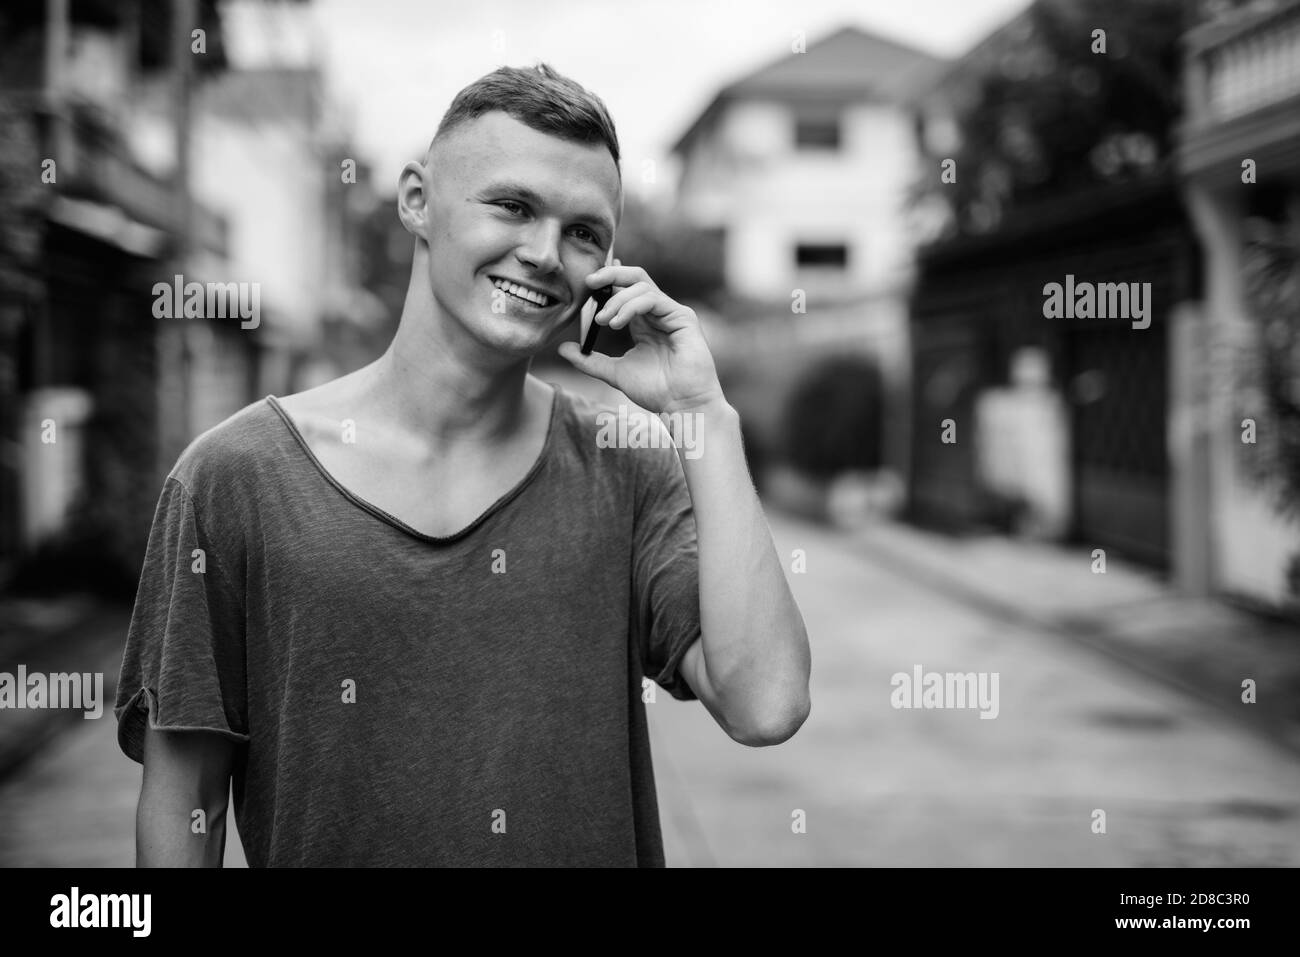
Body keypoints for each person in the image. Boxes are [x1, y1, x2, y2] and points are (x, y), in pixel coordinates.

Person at [114, 63, 811, 867]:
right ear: (417, 199)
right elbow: (185, 802)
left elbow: (766, 703)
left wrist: (701, 417)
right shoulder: (234, 479)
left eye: (586, 232)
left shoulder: (626, 471)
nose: (547, 254)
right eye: (513, 206)